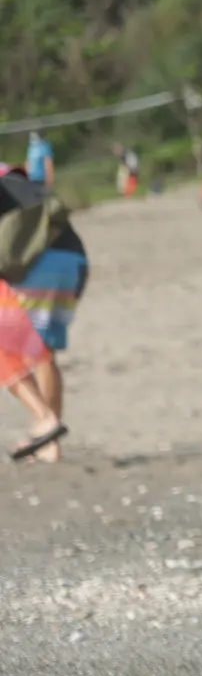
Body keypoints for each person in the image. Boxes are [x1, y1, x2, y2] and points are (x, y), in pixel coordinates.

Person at [0, 164, 87, 463]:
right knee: (39, 349)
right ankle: (47, 439)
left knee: (27, 352)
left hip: (37, 263)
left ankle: (45, 425)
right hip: (72, 258)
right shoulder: (14, 177)